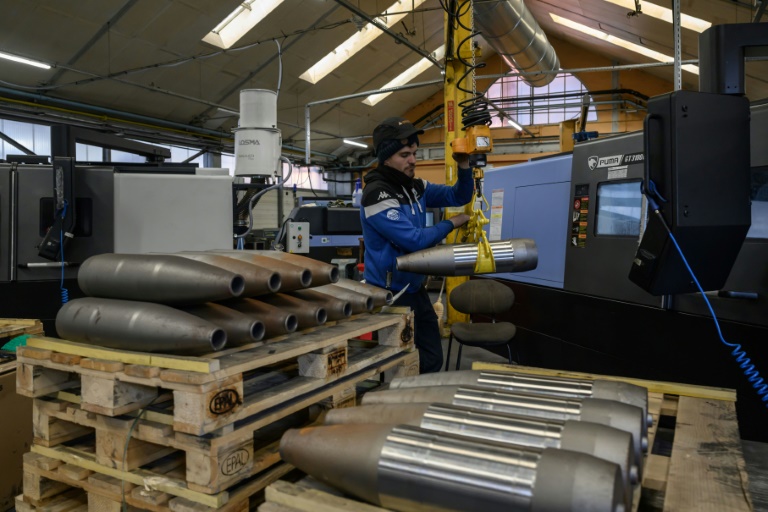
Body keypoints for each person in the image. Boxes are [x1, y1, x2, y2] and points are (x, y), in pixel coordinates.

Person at [360, 117, 473, 373]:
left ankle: (421, 403)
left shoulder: (416, 187)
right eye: (404, 154)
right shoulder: (377, 194)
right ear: (386, 157)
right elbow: (413, 240)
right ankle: (401, 407)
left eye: (414, 153)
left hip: (414, 288)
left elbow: (459, 195)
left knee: (432, 358)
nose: (413, 160)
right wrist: (452, 223)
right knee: (402, 363)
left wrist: (464, 166)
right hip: (391, 295)